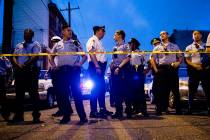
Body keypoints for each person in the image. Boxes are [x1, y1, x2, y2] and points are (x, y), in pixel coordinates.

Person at [50, 25, 88, 124]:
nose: (70, 32)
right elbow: (51, 57)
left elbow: (84, 56)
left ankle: (83, 117)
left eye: (71, 30)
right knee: (63, 95)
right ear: (63, 32)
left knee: (77, 94)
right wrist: (54, 66)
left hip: (73, 71)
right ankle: (66, 117)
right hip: (62, 72)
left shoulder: (75, 43)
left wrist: (79, 64)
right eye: (68, 30)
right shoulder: (57, 44)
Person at [12, 28, 41, 123]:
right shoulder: (18, 45)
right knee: (19, 95)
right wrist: (18, 64)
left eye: (28, 34)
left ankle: (36, 116)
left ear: (32, 35)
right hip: (20, 72)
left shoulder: (35, 44)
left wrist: (25, 64)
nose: (26, 35)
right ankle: (19, 117)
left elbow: (35, 57)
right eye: (25, 33)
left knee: (34, 95)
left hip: (31, 72)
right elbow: (14, 57)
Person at [150, 31, 182, 115]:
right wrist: (156, 69)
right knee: (161, 91)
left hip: (172, 69)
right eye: (160, 34)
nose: (161, 35)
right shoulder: (157, 48)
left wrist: (178, 63)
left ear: (167, 35)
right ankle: (159, 109)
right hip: (162, 69)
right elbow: (152, 59)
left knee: (175, 90)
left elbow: (180, 57)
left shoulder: (175, 46)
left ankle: (178, 109)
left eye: (163, 34)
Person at [86, 25, 113, 118]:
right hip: (95, 66)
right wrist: (97, 66)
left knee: (101, 89)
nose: (104, 33)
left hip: (100, 67)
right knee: (95, 89)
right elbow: (91, 52)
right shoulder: (92, 40)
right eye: (103, 31)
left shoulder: (99, 42)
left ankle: (102, 110)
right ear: (97, 31)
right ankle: (93, 111)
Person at [185, 31, 210, 115]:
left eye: (198, 34)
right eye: (194, 34)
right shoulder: (188, 47)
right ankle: (190, 109)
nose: (196, 35)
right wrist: (195, 66)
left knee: (207, 90)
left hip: (205, 70)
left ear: (201, 35)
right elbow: (187, 60)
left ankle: (209, 109)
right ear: (192, 36)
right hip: (193, 70)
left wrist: (206, 66)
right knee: (191, 91)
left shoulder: (207, 46)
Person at [110, 30, 131, 119]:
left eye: (115, 34)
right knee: (116, 92)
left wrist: (119, 67)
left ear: (120, 35)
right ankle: (118, 112)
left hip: (123, 70)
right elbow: (114, 59)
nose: (113, 36)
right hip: (115, 71)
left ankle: (129, 112)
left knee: (125, 91)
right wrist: (112, 65)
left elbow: (128, 57)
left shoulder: (126, 46)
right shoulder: (114, 47)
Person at [128, 38, 149, 117]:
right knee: (132, 92)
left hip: (139, 71)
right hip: (131, 71)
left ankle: (143, 110)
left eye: (131, 44)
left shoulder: (141, 52)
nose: (129, 45)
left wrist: (146, 70)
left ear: (134, 44)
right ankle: (135, 109)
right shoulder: (128, 53)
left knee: (140, 92)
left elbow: (148, 62)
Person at [0, 56, 12, 121]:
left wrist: (9, 80)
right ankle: (6, 115)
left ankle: (6, 115)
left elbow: (9, 68)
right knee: (3, 98)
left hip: (1, 78)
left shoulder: (3, 58)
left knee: (3, 98)